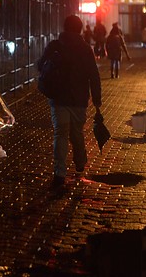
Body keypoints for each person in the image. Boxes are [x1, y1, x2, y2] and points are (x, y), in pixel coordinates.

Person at [39, 15, 102, 187]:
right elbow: (93, 76)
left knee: (60, 134)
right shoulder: (85, 49)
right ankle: (80, 160)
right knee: (76, 133)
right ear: (80, 29)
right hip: (79, 100)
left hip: (58, 98)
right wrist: (97, 99)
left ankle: (59, 173)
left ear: (65, 28)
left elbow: (40, 65)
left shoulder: (55, 46)